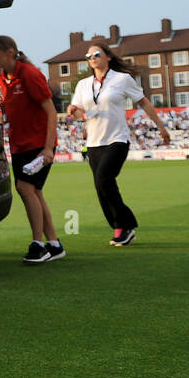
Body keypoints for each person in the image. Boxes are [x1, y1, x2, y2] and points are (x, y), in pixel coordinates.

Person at [66, 39, 170, 246]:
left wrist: (161, 127)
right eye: (88, 57)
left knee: (104, 179)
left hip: (117, 139)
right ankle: (119, 228)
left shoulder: (122, 79)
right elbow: (79, 114)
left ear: (108, 57)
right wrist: (73, 111)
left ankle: (126, 224)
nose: (92, 58)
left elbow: (144, 102)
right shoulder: (83, 85)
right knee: (100, 186)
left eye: (96, 54)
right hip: (94, 143)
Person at [0, 35, 63, 263]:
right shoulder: (1, 78)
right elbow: (9, 111)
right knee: (35, 193)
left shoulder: (30, 74)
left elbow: (51, 111)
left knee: (24, 188)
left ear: (10, 51)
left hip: (39, 144)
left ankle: (38, 245)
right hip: (20, 144)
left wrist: (48, 149)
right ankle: (54, 244)